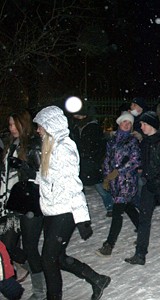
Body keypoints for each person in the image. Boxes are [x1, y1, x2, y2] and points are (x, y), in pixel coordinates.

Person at [33, 106, 110, 300]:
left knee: (48, 259)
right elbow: (48, 179)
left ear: (50, 125)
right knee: (56, 258)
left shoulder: (63, 148)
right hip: (52, 209)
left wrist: (82, 219)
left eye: (40, 126)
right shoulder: (49, 147)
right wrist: (30, 174)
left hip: (65, 211)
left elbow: (73, 185)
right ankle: (97, 279)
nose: (38, 130)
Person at [124, 111, 160, 266]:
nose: (141, 126)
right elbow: (144, 161)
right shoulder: (145, 142)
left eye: (143, 124)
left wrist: (157, 179)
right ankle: (140, 254)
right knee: (144, 220)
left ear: (150, 125)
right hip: (149, 186)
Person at [0, 109, 43, 298]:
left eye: (13, 124)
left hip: (27, 202)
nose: (11, 128)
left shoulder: (33, 144)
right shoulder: (11, 144)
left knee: (27, 248)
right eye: (9, 124)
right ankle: (24, 269)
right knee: (7, 246)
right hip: (10, 201)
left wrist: (24, 166)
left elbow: (41, 174)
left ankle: (39, 289)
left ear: (22, 124)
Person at [96, 111, 140, 257]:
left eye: (129, 123)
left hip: (127, 181)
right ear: (119, 123)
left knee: (117, 212)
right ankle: (142, 230)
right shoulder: (112, 141)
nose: (127, 125)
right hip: (115, 182)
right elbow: (107, 159)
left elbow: (134, 161)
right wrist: (107, 176)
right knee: (129, 207)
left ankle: (109, 244)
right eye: (124, 122)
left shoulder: (132, 141)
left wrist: (118, 171)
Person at [69, 106, 111, 216]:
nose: (76, 118)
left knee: (100, 186)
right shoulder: (76, 128)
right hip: (80, 162)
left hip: (91, 162)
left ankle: (110, 206)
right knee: (79, 188)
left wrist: (94, 160)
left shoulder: (93, 128)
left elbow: (100, 146)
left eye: (78, 115)